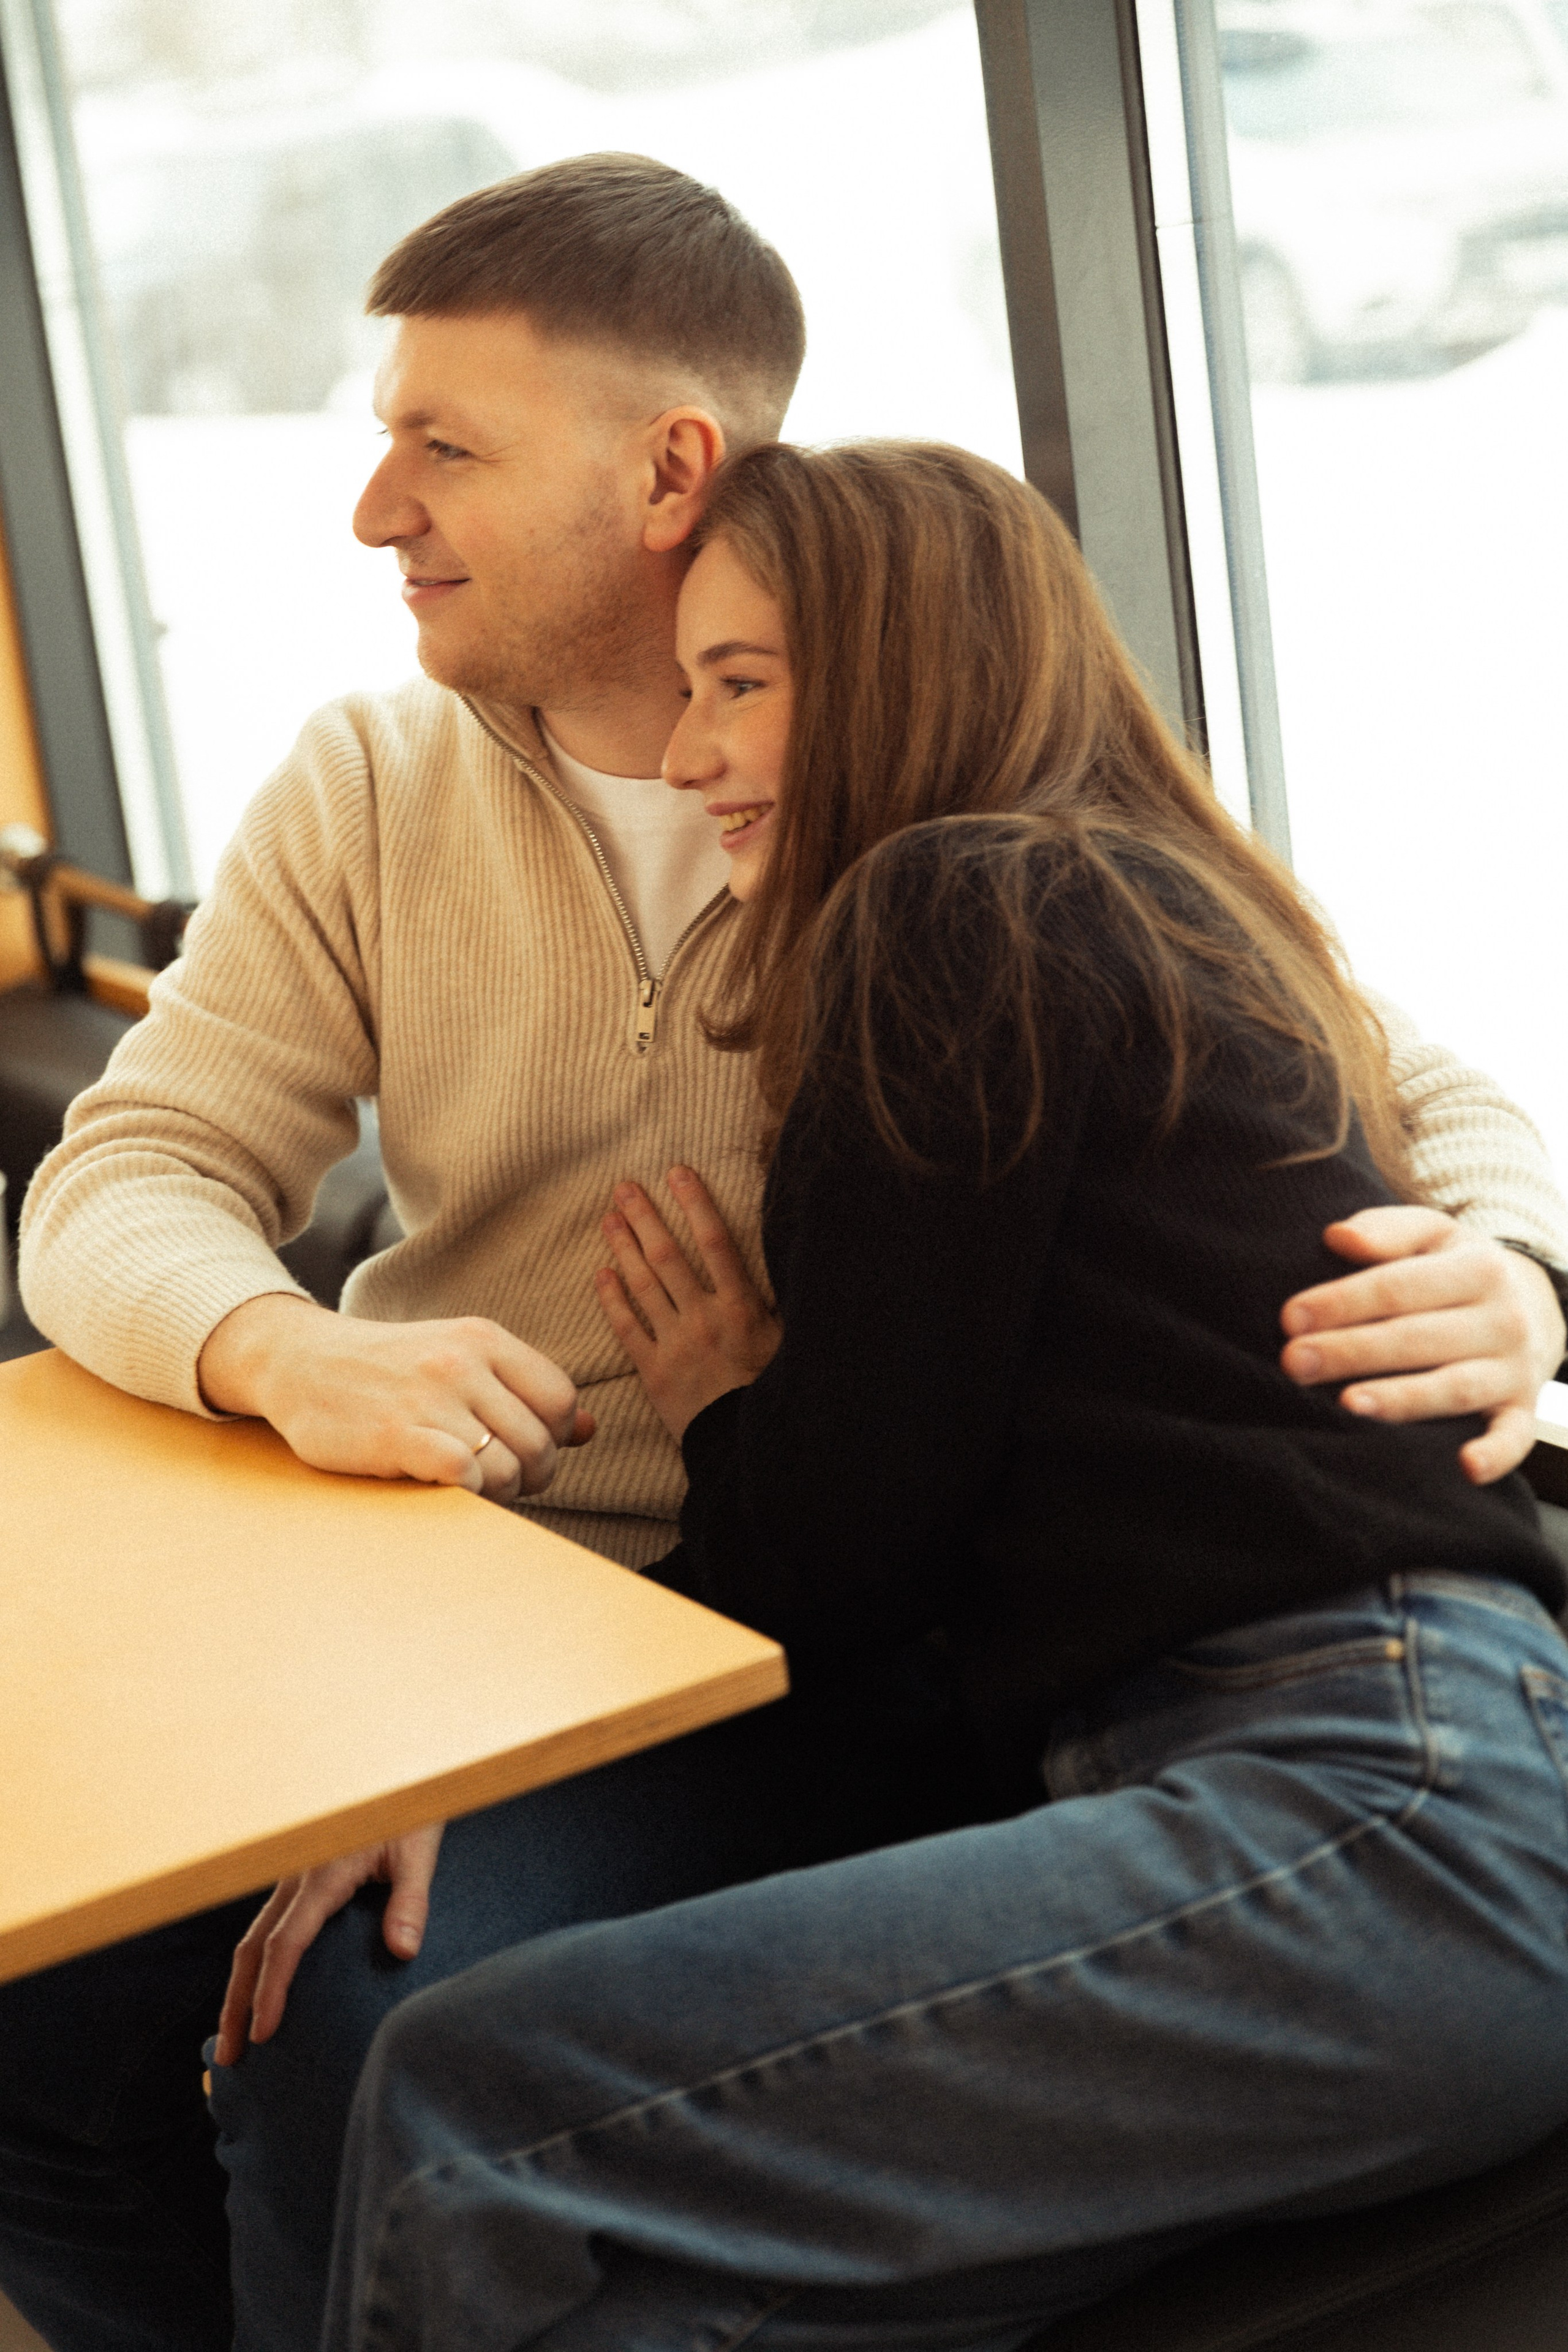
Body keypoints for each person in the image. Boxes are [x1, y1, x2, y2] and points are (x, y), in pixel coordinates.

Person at [1, 158, 1562, 2352]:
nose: (376, 510)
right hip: (467, 1610)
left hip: (798, 1645)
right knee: (48, 2014)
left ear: (668, 468)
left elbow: (1391, 1077)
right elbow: (123, 1176)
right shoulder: (371, 788)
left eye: (446, 445)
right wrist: (284, 1350)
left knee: (369, 2032)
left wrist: (1512, 1269)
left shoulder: (949, 836)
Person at [320, 441, 1568, 2352]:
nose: (686, 756)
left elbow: (837, 1557)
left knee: (459, 2102)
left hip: (1379, 1806)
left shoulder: (956, 902)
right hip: (1389, 1806)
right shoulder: (1157, 912)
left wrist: (720, 1425)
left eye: (741, 685)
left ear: (900, 675)